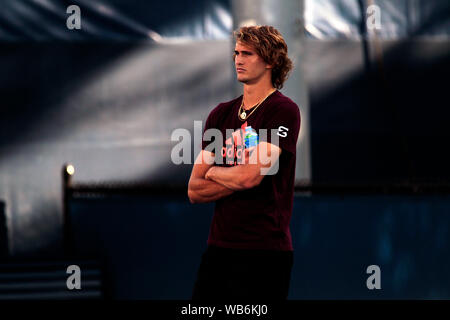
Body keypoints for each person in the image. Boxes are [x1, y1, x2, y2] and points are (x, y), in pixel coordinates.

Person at [187, 25, 301, 300]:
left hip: (265, 254)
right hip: (218, 250)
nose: (238, 59)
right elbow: (194, 190)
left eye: (248, 54)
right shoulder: (220, 114)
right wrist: (236, 176)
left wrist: (214, 171)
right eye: (237, 53)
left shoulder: (283, 110)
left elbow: (250, 178)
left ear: (271, 61)